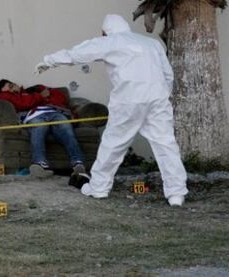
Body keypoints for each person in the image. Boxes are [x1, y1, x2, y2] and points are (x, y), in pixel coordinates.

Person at [35, 14, 188, 206]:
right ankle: (176, 194)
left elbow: (78, 54)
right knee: (166, 144)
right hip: (157, 98)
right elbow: (168, 74)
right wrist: (163, 93)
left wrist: (48, 61)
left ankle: (99, 188)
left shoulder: (110, 42)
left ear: (106, 31)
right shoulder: (151, 44)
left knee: (113, 144)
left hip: (128, 99)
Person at [0, 79, 85, 177]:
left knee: (66, 129)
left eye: (13, 84)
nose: (14, 86)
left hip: (54, 112)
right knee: (39, 127)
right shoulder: (5, 96)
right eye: (10, 86)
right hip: (35, 115)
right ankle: (39, 165)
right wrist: (41, 96)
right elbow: (22, 104)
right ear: (2, 90)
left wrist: (43, 91)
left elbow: (60, 98)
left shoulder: (32, 91)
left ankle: (78, 163)